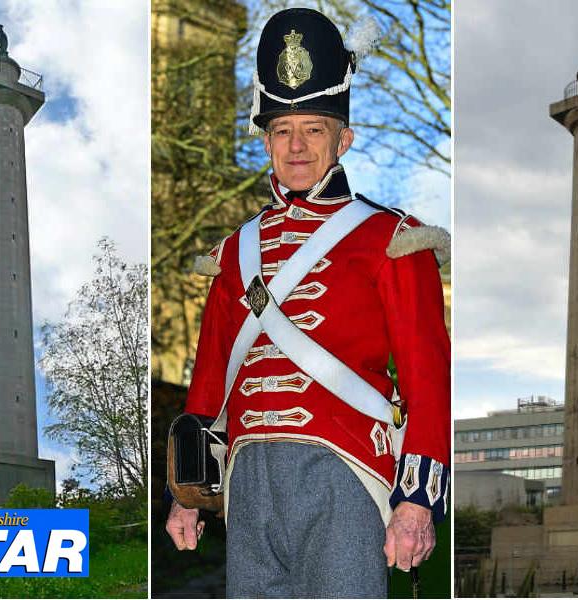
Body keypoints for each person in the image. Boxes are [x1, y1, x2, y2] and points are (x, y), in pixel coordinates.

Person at [166, 8, 450, 598]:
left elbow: (428, 376)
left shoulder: (391, 239)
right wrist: (187, 496)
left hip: (343, 468)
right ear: (266, 139)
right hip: (247, 480)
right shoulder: (236, 253)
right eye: (282, 131)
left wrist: (416, 501)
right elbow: (210, 380)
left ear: (342, 139)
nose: (296, 147)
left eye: (313, 130)